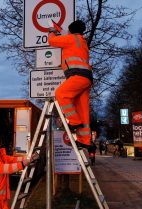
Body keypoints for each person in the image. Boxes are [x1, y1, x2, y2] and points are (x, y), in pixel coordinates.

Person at [48, 20, 92, 149]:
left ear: (71, 30)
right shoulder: (82, 41)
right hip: (86, 78)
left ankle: (74, 121)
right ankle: (85, 141)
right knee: (82, 110)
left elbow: (52, 41)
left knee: (61, 94)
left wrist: (51, 31)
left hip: (77, 76)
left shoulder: (71, 39)